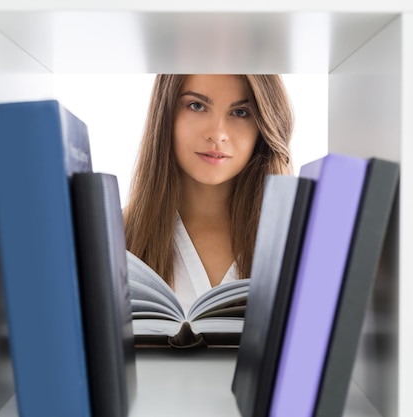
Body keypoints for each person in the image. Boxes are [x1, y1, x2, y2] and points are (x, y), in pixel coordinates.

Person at [124, 74, 294, 313]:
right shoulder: (117, 234)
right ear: (166, 113)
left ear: (263, 124)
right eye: (197, 106)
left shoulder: (294, 236)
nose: (217, 134)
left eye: (241, 112)